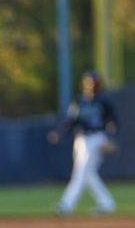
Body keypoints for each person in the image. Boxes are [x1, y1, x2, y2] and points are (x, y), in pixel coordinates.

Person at [48, 70, 119, 216]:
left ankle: (66, 205)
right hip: (81, 140)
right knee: (88, 173)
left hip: (97, 138)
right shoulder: (79, 101)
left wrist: (111, 138)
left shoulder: (103, 102)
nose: (92, 86)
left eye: (95, 83)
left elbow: (113, 122)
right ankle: (107, 203)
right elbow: (70, 121)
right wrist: (59, 133)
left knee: (81, 171)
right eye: (90, 83)